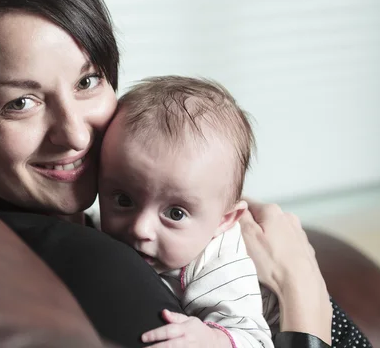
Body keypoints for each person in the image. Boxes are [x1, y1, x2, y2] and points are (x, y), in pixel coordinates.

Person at [0, 0, 371, 347]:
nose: (75, 134)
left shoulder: (99, 228)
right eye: (22, 102)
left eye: (88, 80)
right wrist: (301, 285)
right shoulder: (93, 266)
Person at [98, 76, 276, 348]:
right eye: (124, 200)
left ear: (224, 221)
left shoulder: (219, 266)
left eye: (176, 214)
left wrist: (212, 339)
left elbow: (256, 340)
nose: (140, 228)